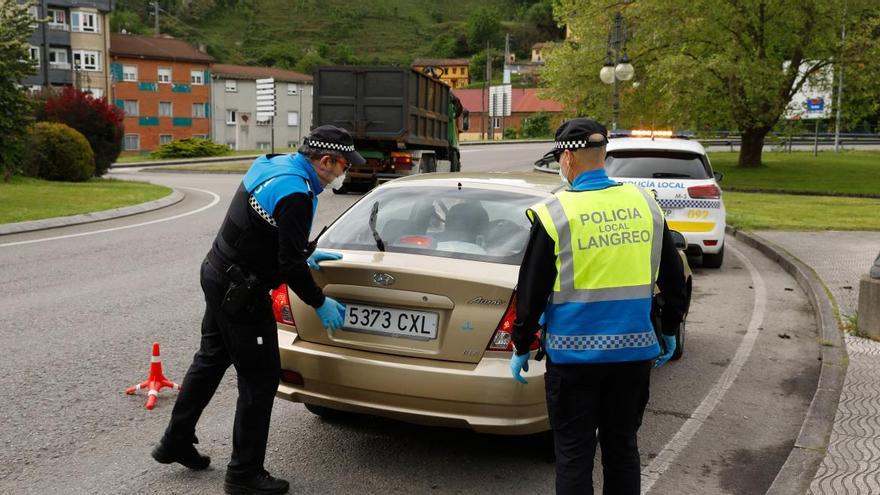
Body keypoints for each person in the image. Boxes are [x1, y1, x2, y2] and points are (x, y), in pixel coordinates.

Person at [151, 125, 365, 495]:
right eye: (343, 166)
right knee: (260, 378)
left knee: (211, 358)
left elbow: (262, 230)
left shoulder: (272, 163)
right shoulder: (298, 193)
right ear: (326, 160)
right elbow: (287, 263)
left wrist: (304, 252)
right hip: (243, 291)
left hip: (217, 272)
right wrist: (318, 299)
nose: (343, 174)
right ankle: (243, 474)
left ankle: (175, 441)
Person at [509, 118, 688, 494]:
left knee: (574, 453)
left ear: (567, 160)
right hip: (634, 353)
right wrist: (669, 329)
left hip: (574, 359)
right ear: (602, 155)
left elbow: (531, 291)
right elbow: (674, 282)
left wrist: (522, 344)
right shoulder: (645, 205)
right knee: (622, 447)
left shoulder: (555, 213)